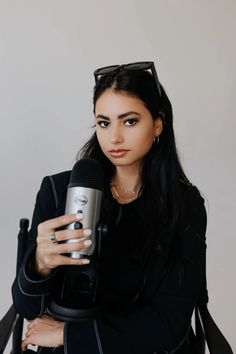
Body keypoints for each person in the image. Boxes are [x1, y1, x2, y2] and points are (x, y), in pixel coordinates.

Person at [12, 61, 207, 354]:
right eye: (104, 123)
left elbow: (169, 323)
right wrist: (40, 263)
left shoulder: (184, 205)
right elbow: (29, 309)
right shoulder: (58, 191)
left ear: (157, 124)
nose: (113, 137)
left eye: (129, 121)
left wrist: (69, 334)